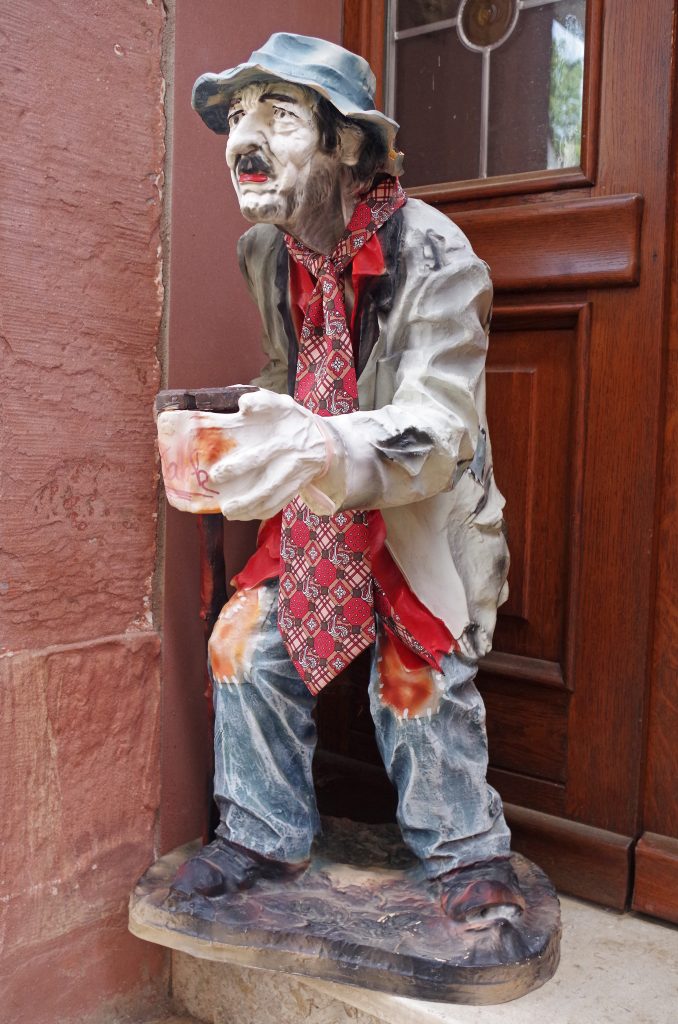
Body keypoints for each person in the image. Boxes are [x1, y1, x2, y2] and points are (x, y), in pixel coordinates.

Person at [157, 33, 522, 925]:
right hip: (314, 506)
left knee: (416, 672)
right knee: (242, 641)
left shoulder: (434, 254)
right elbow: (291, 372)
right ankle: (261, 833)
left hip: (413, 511)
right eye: (238, 118)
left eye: (280, 117)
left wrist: (319, 445)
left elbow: (443, 426)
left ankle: (466, 851)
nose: (246, 140)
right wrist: (239, 426)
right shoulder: (264, 252)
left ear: (347, 145)